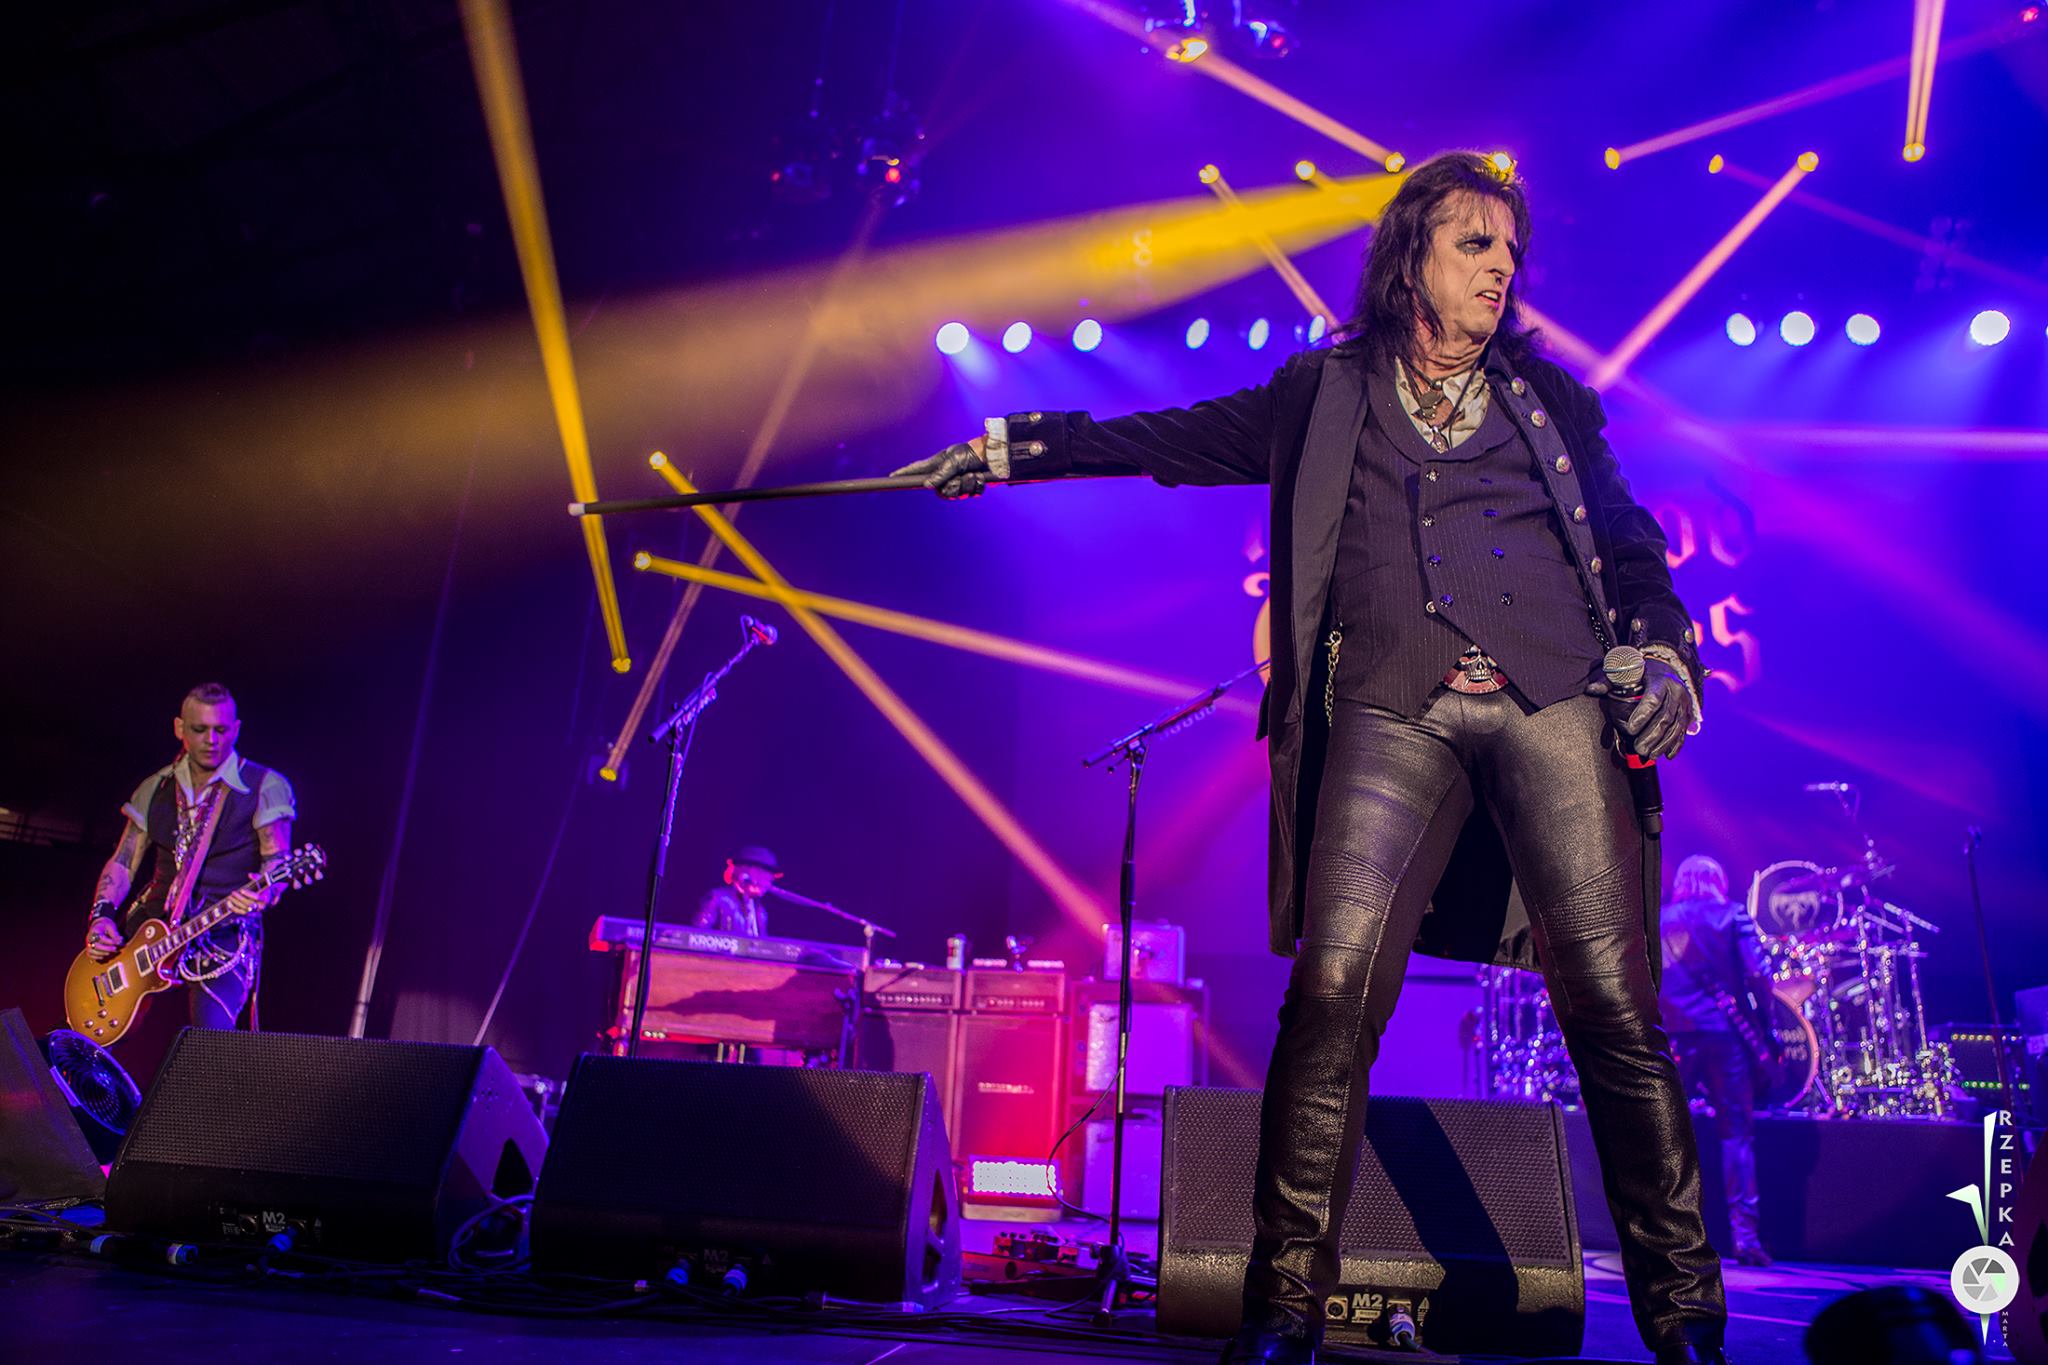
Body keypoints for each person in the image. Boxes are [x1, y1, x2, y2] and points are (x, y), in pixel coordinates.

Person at [896, 152, 1724, 1364]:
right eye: (1473, 244)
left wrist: (1664, 656)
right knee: (1332, 995)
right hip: (1391, 703)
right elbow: (1168, 438)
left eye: (1509, 250)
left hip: (1550, 701)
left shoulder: (1552, 399)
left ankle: (1686, 1318)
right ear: (1409, 261)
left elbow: (1630, 543)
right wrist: (1012, 449)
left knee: (1611, 1006)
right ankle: (1281, 1307)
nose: (1500, 268)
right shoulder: (1320, 393)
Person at [84, 683, 297, 1031]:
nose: (211, 740)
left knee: (209, 1042)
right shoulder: (155, 786)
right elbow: (124, 860)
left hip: (222, 933)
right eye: (200, 729)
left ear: (236, 729)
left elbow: (278, 861)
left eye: (221, 730)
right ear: (179, 728)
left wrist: (265, 892)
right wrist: (101, 917)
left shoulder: (265, 785)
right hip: (151, 927)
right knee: (89, 1032)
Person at [1660, 854, 1775, 1266]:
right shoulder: (1733, 915)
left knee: (1665, 1134)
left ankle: (1664, 1234)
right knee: (1736, 1133)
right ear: (1719, 881)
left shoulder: (1660, 919)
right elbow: (1759, 975)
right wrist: (1767, 1025)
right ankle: (1745, 1239)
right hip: (1724, 1036)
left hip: (1672, 1035)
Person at [691, 844, 782, 937]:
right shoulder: (718, 898)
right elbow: (698, 935)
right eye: (762, 874)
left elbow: (762, 944)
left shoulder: (760, 911)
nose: (768, 880)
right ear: (744, 870)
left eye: (769, 876)